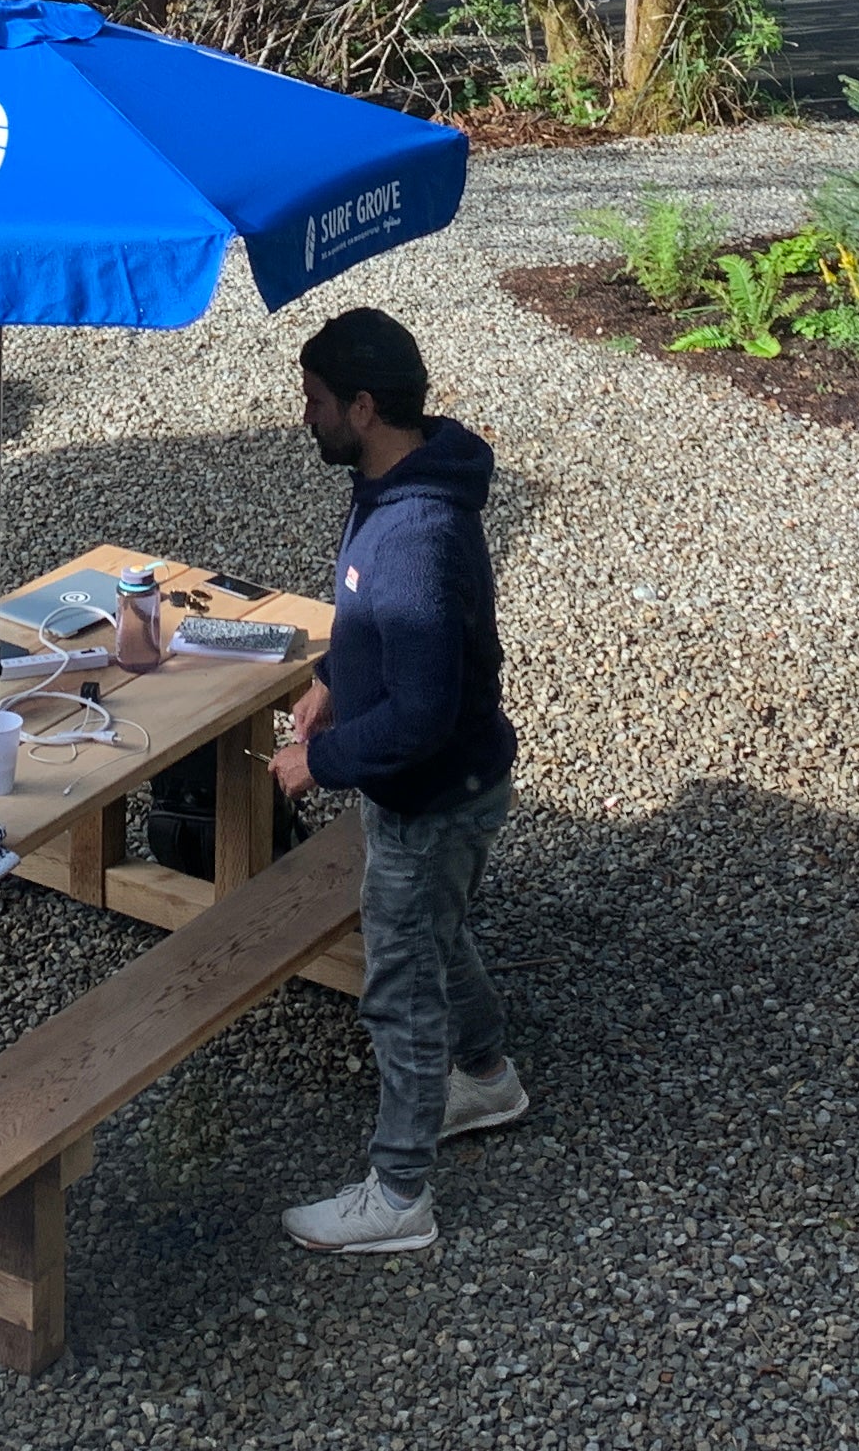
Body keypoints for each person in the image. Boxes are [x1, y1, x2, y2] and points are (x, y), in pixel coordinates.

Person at [271, 305, 523, 1254]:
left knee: (399, 985)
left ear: (364, 408)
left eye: (317, 402)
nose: (308, 418)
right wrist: (335, 680)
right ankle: (488, 1078)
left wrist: (317, 763)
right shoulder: (394, 484)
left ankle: (400, 1193)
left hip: (432, 796)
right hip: (450, 788)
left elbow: (422, 715)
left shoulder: (415, 535)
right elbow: (379, 634)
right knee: (434, 932)